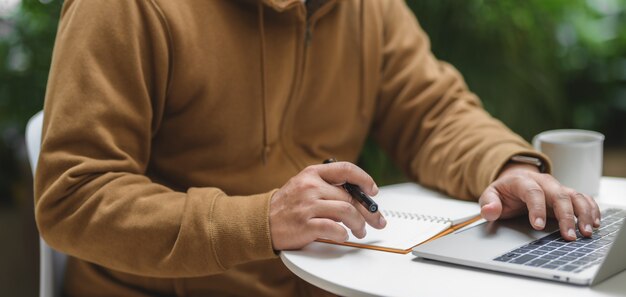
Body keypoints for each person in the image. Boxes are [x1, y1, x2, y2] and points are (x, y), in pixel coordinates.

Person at [35, 0, 600, 296]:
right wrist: (260, 220)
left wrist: (505, 165)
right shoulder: (123, 7)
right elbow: (74, 197)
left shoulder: (365, 7)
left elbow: (433, 111)